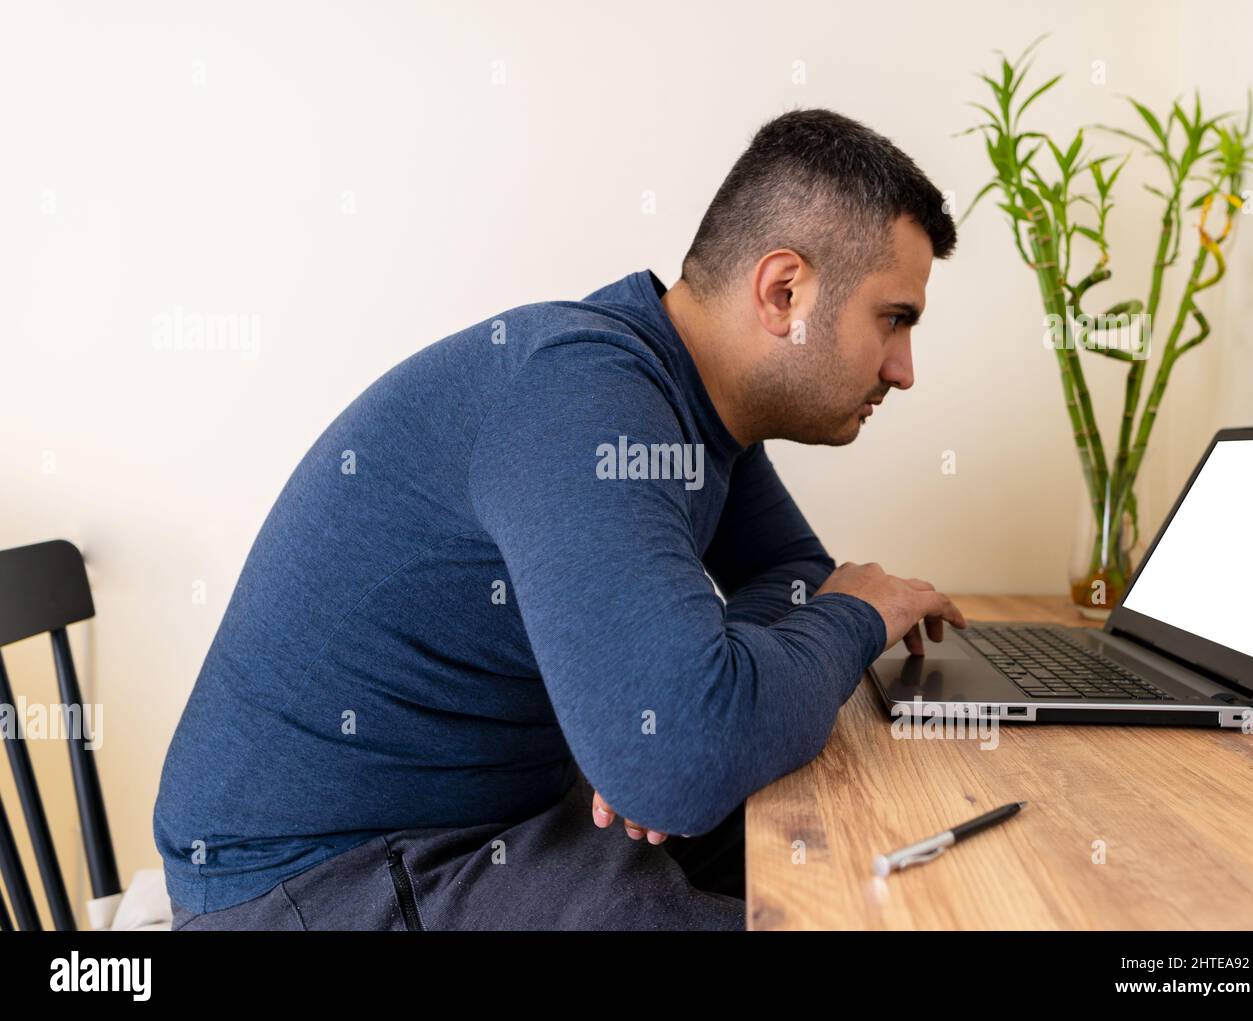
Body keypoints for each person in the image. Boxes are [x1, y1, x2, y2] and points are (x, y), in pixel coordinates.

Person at [155, 107, 967, 931]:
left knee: (862, 868)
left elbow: (791, 574)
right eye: (894, 319)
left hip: (489, 824)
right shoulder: (585, 395)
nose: (903, 371)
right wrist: (854, 618)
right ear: (784, 291)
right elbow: (681, 754)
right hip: (317, 880)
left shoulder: (685, 397)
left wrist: (678, 705)